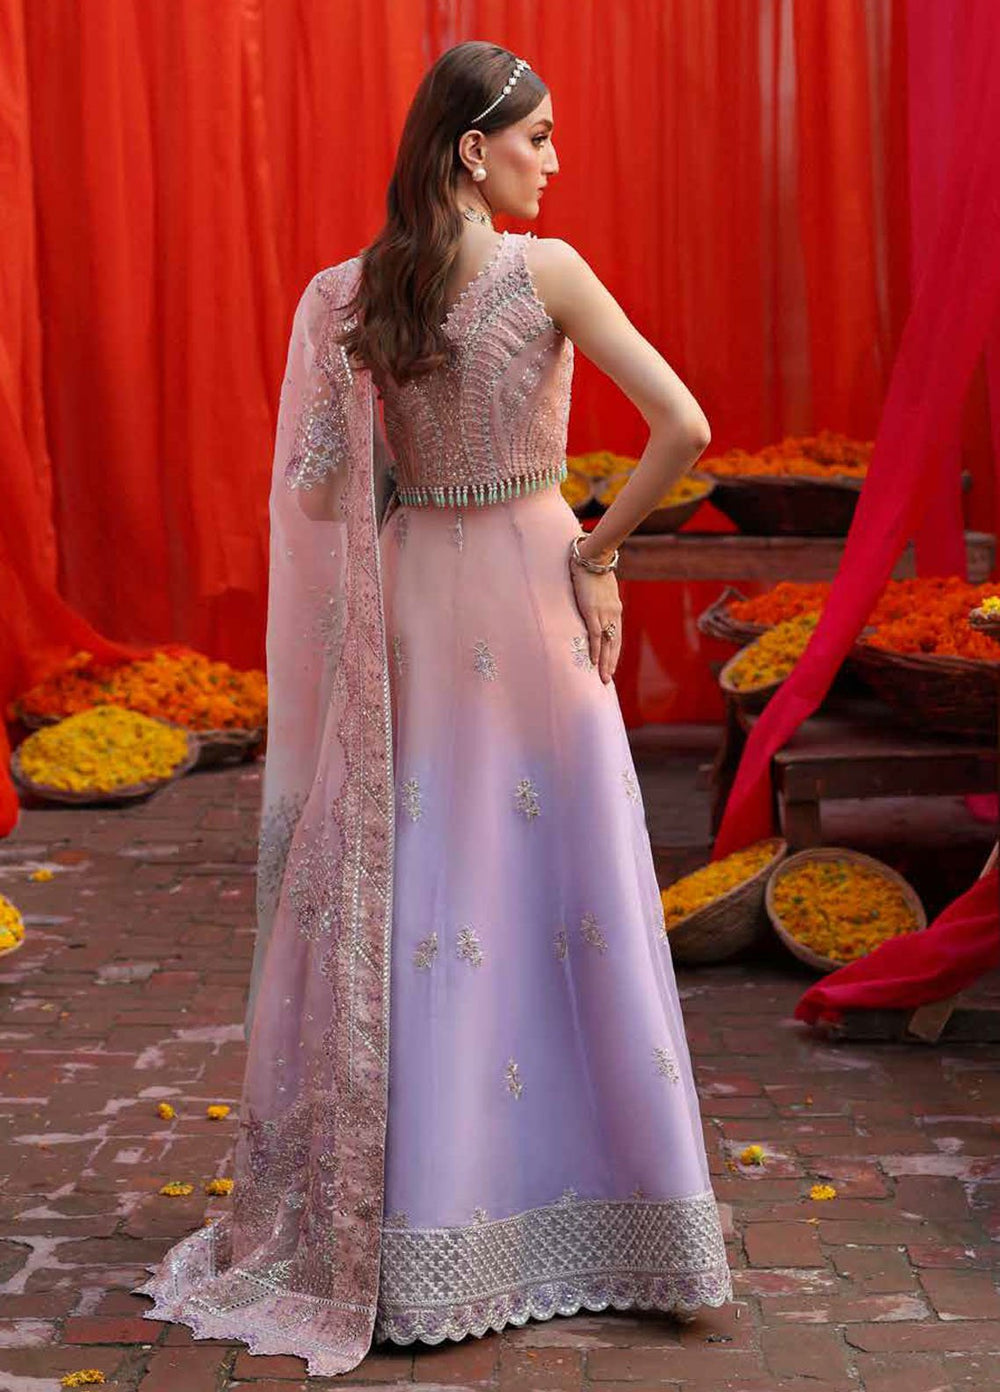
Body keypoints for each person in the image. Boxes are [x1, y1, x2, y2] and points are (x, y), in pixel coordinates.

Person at [133, 40, 732, 1378]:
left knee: (429, 892)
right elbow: (684, 428)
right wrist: (598, 550)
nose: (554, 162)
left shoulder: (351, 295)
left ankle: (415, 1233)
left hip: (411, 612)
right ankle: (619, 1218)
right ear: (472, 147)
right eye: (538, 137)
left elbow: (319, 493)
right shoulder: (547, 273)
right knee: (567, 886)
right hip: (534, 593)